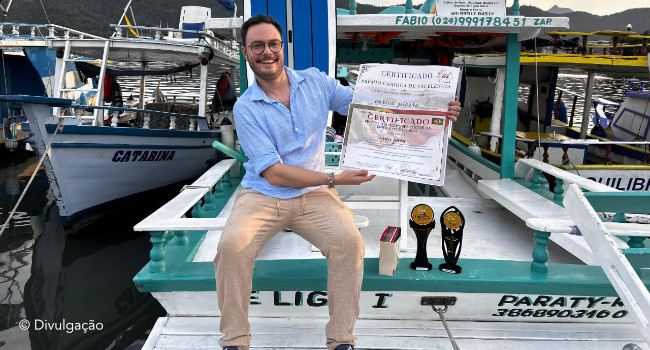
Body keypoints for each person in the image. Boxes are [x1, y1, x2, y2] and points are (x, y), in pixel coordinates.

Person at [214, 14, 462, 350]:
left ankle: (341, 340)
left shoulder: (315, 83)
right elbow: (273, 173)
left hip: (314, 194)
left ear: (282, 47)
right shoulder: (245, 108)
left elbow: (370, 103)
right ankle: (235, 341)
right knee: (231, 248)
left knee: (349, 244)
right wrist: (335, 177)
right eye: (257, 46)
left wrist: (433, 109)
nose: (266, 52)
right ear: (245, 52)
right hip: (264, 195)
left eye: (273, 44)